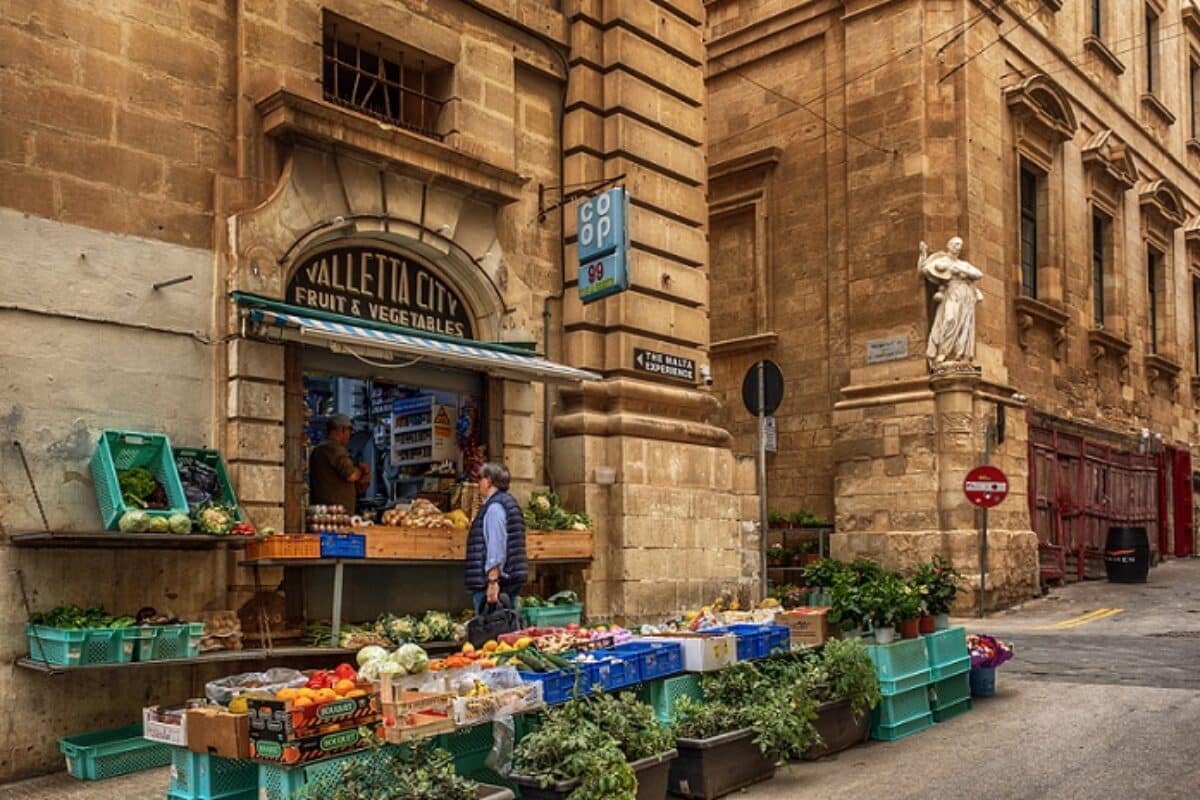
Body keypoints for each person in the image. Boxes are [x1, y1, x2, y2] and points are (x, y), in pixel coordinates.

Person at [465, 462, 528, 613]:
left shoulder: (494, 508)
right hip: (509, 579)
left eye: (480, 479)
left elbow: (496, 546)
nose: (479, 483)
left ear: (487, 481)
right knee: (507, 626)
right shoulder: (510, 503)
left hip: (497, 583)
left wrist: (493, 581)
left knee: (491, 629)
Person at [309, 414, 370, 511]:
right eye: (349, 431)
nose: (350, 435)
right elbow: (351, 475)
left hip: (323, 512)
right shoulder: (334, 448)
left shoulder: (319, 449)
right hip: (336, 514)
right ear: (342, 429)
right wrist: (362, 470)